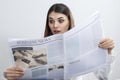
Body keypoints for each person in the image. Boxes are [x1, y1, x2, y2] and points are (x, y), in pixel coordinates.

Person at [4, 3, 114, 80]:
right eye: (51, 21)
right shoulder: (39, 50)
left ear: (69, 21)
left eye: (60, 21)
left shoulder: (83, 44)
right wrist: (12, 76)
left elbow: (103, 77)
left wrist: (108, 52)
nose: (55, 26)